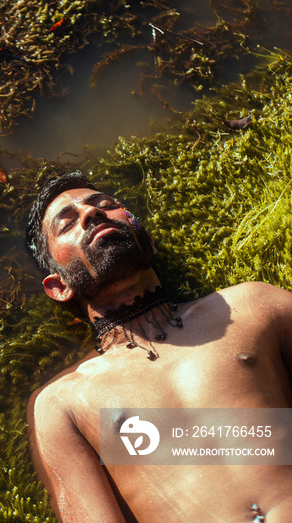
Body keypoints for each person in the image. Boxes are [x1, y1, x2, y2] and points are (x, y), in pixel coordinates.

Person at [25, 170, 292, 523]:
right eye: (67, 223)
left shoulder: (253, 306)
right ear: (59, 286)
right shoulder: (62, 404)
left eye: (106, 205)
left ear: (147, 241)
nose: (92, 213)